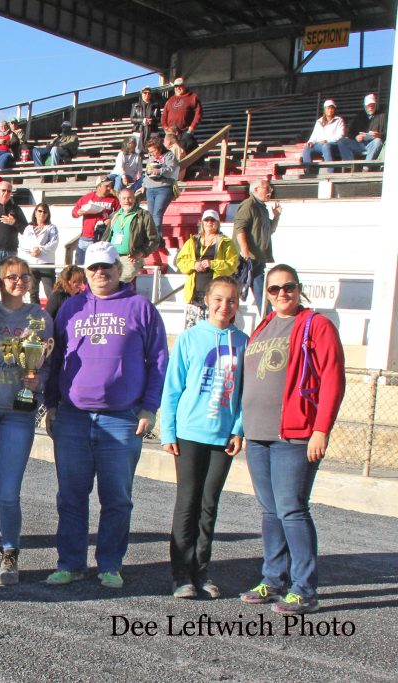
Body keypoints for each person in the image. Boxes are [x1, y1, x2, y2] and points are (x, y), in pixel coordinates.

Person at [43, 242, 168, 589]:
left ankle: (110, 564)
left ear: (118, 269)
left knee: (117, 498)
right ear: (85, 271)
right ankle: (70, 563)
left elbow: (158, 360)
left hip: (122, 418)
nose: (101, 273)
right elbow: (55, 360)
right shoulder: (71, 308)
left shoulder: (140, 307)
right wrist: (50, 404)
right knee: (70, 496)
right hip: (73, 417)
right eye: (94, 267)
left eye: (107, 267)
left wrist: (149, 407)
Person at [239, 265, 345, 615]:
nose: (282, 294)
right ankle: (273, 579)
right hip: (258, 434)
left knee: (292, 509)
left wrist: (321, 429)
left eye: (289, 287)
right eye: (274, 289)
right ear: (265, 292)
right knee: (271, 511)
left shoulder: (317, 325)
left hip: (294, 436)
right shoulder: (265, 326)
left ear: (299, 289)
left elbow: (332, 379)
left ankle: (305, 589)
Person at [0, 256, 53, 586]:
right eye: (11, 277)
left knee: (7, 491)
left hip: (18, 413)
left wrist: (37, 381)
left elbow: (45, 364)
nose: (19, 281)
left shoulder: (40, 318)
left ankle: (10, 554)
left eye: (24, 276)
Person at [160, 276, 248, 599]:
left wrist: (239, 429)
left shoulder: (244, 342)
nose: (225, 306)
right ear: (208, 302)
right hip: (189, 434)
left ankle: (201, 571)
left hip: (223, 437)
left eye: (232, 300)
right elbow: (172, 389)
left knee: (209, 505)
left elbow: (244, 395)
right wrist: (168, 430)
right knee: (188, 503)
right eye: (219, 300)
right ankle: (180, 574)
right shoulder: (189, 339)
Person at [175, 209, 239, 328]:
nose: (209, 223)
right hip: (195, 292)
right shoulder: (193, 241)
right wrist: (193, 265)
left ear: (218, 223)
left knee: (213, 327)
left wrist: (212, 264)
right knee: (192, 328)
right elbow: (180, 261)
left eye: (213, 220)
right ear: (202, 223)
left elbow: (232, 265)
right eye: (207, 220)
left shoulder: (226, 243)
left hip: (215, 294)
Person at [233, 179, 281, 317]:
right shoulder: (249, 205)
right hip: (245, 259)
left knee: (261, 293)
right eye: (267, 189)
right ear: (256, 190)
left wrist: (276, 217)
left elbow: (269, 230)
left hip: (258, 258)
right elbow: (239, 229)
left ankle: (268, 321)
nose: (270, 192)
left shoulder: (262, 208)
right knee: (235, 291)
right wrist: (245, 250)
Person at [103, 186, 161, 283]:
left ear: (134, 199)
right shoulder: (115, 215)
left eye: (130, 198)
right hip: (112, 257)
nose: (127, 201)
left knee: (120, 282)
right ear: (120, 200)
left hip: (131, 258)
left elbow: (154, 240)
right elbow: (106, 236)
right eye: (124, 198)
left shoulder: (143, 215)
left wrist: (141, 252)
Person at [70, 177, 120, 265]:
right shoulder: (87, 198)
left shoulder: (114, 200)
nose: (109, 188)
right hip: (86, 238)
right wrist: (78, 212)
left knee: (98, 266)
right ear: (99, 186)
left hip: (103, 239)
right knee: (80, 267)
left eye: (110, 186)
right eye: (106, 186)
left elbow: (119, 215)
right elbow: (74, 213)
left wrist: (110, 220)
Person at [18, 203, 59, 305]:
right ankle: (34, 316)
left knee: (50, 291)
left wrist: (40, 249)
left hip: (46, 263)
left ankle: (54, 314)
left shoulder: (51, 227)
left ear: (48, 214)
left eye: (45, 212)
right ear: (35, 213)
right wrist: (32, 250)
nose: (42, 214)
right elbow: (23, 244)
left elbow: (54, 243)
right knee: (33, 291)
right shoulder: (28, 228)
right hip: (32, 264)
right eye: (39, 211)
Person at [300, 100, 351, 174]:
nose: (330, 110)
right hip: (319, 144)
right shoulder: (319, 121)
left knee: (326, 146)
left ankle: (330, 171)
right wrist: (310, 141)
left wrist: (327, 140)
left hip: (333, 144)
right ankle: (309, 171)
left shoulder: (339, 120)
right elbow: (314, 135)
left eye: (332, 108)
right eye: (328, 108)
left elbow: (340, 135)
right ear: (325, 110)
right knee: (307, 148)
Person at [142, 135, 179, 235]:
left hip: (163, 188)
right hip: (150, 188)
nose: (152, 154)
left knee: (157, 214)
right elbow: (147, 171)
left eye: (153, 151)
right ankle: (153, 238)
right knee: (150, 214)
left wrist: (159, 171)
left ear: (159, 148)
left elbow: (171, 169)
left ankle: (157, 239)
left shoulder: (169, 156)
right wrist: (144, 184)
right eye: (150, 152)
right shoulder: (150, 157)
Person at [339, 93, 386, 163]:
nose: (370, 107)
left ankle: (366, 167)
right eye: (368, 106)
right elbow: (351, 133)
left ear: (375, 105)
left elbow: (387, 132)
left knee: (378, 141)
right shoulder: (359, 117)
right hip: (360, 144)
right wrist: (356, 137)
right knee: (342, 141)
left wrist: (379, 135)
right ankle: (350, 165)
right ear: (365, 106)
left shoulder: (382, 116)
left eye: (372, 105)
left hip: (373, 144)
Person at [161, 77, 202, 153]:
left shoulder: (193, 97)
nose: (178, 88)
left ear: (185, 86)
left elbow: (198, 113)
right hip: (171, 132)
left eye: (180, 85)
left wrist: (192, 127)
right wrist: (166, 128)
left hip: (185, 132)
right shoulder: (170, 100)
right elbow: (164, 116)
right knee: (169, 153)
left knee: (185, 151)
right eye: (176, 86)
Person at [130, 86, 161, 153]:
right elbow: (132, 119)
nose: (147, 95)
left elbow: (159, 118)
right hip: (139, 130)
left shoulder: (155, 105)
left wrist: (152, 121)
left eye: (149, 93)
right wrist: (143, 121)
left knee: (152, 151)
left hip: (152, 131)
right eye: (145, 93)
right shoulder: (135, 105)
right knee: (137, 152)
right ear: (142, 94)